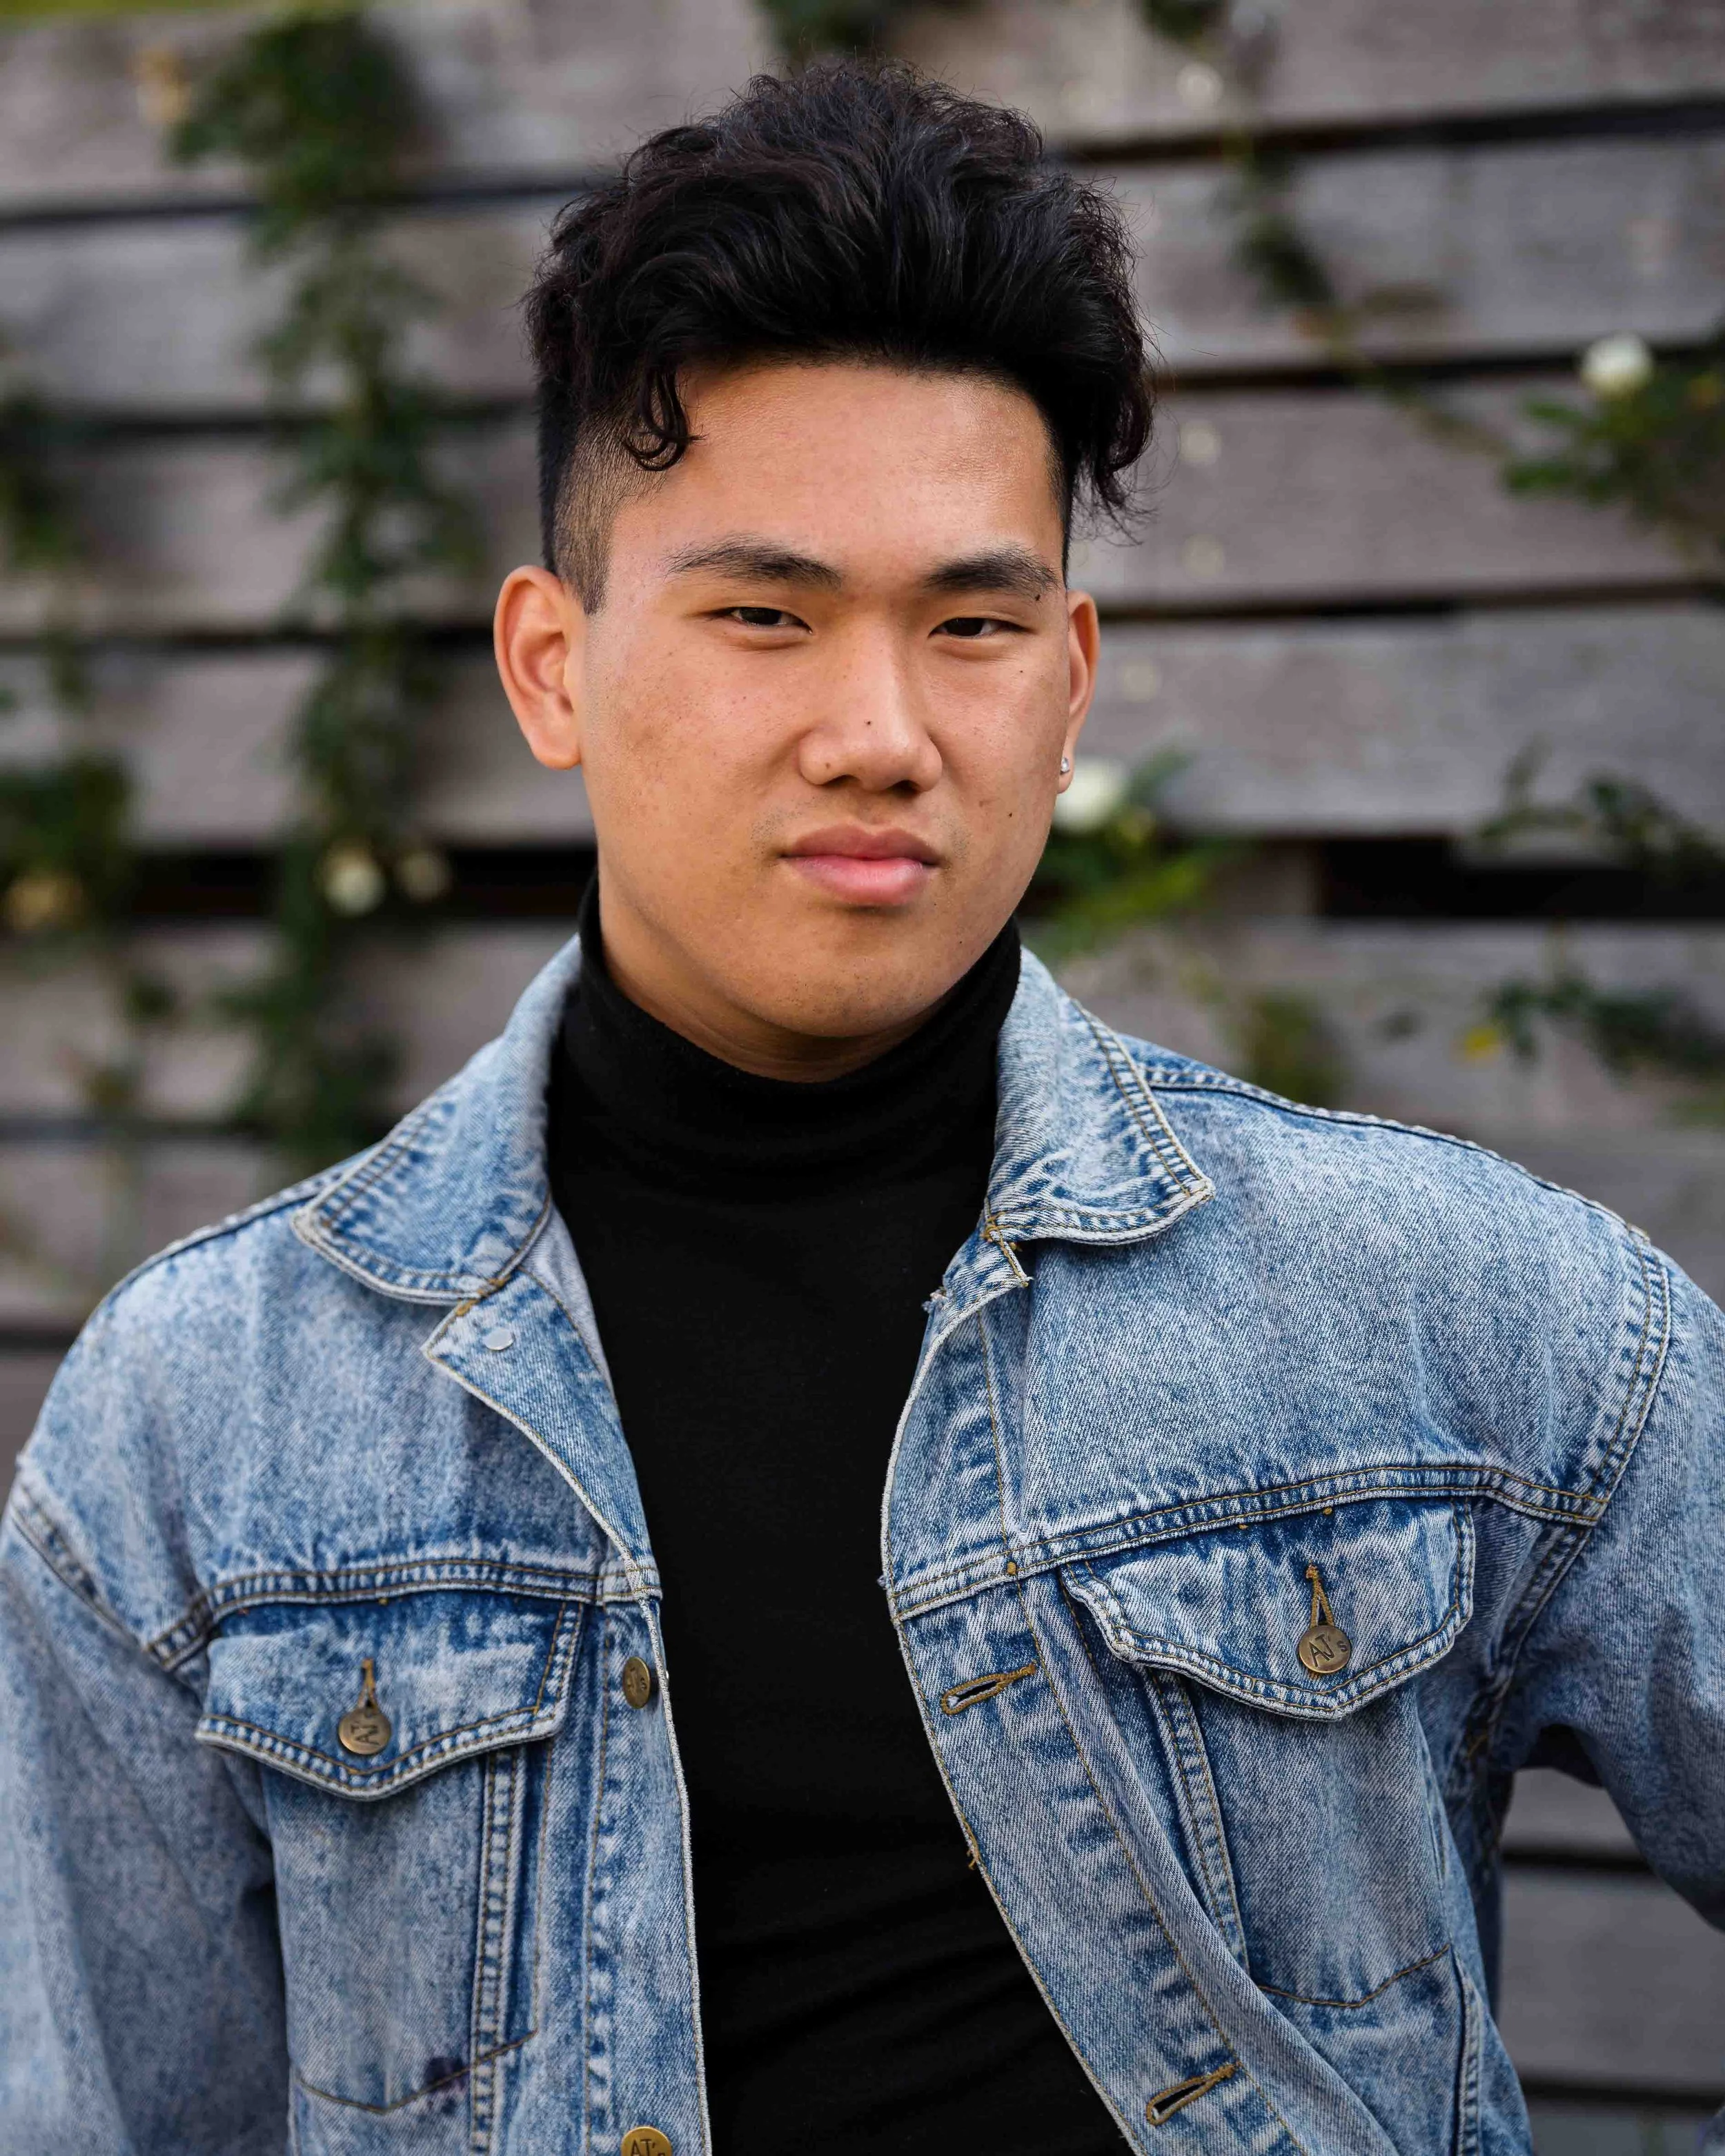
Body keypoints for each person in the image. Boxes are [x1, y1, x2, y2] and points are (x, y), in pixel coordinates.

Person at [1, 57, 1720, 2156]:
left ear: (1070, 677)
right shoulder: (205, 1419)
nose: (880, 733)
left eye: (970, 624)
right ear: (550, 666)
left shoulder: (1462, 1312)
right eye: (762, 615)